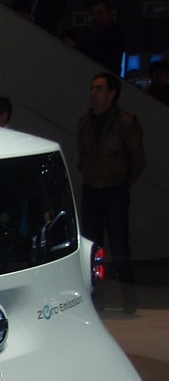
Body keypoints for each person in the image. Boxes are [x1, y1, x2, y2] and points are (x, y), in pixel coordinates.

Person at [78, 73, 145, 314]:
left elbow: (137, 158)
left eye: (99, 89)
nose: (93, 93)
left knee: (119, 246)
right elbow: (83, 156)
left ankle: (129, 300)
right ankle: (96, 300)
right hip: (92, 188)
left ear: (111, 93)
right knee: (92, 248)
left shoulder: (125, 122)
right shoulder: (84, 122)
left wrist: (123, 182)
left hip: (115, 189)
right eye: (92, 88)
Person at [79, 1, 126, 75]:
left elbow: (102, 54)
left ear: (109, 13)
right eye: (93, 14)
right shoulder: (91, 33)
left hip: (107, 76)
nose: (95, 17)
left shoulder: (115, 33)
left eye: (99, 13)